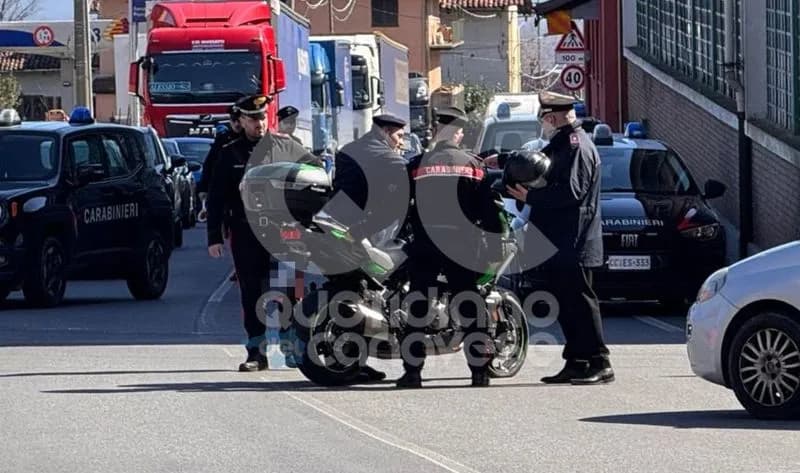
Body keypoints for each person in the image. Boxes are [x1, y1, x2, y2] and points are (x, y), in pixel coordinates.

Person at [504, 91, 613, 385]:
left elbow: (571, 192)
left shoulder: (576, 146)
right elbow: (539, 163)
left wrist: (530, 197)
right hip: (558, 240)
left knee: (581, 302)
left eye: (543, 119)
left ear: (551, 118)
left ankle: (599, 361)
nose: (542, 124)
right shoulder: (562, 144)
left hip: (573, 239)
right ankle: (577, 361)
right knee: (567, 303)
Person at [206, 94, 322, 372]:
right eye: (252, 119)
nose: (258, 123)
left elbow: (316, 172)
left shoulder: (287, 146)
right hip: (246, 230)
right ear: (242, 121)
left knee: (290, 290)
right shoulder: (230, 152)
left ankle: (290, 347)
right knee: (252, 292)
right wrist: (214, 237)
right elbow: (216, 198)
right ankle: (256, 353)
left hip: (285, 231)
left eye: (261, 117)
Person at [400, 106, 501, 388]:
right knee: (470, 307)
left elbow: (402, 208)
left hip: (426, 245)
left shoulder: (416, 165)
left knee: (418, 309)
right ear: (458, 134)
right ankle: (479, 372)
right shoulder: (473, 165)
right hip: (462, 246)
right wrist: (494, 249)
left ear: (436, 132)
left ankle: (412, 372)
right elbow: (489, 212)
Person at [327, 113, 411, 382]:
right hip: (366, 229)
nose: (400, 143)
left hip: (338, 228)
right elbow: (403, 184)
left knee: (352, 290)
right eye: (398, 136)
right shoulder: (384, 155)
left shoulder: (348, 150)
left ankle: (353, 360)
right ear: (385, 132)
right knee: (380, 284)